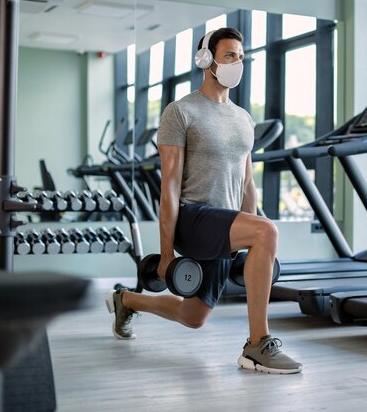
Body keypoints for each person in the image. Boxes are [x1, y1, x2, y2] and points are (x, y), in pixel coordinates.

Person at [105, 27, 302, 375]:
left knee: (192, 316)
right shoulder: (180, 112)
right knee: (266, 232)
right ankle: (258, 344)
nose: (236, 63)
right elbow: (168, 187)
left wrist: (245, 239)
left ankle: (126, 300)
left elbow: (247, 183)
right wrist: (167, 254)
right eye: (229, 56)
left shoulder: (243, 118)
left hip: (223, 225)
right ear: (205, 60)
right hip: (192, 219)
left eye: (240, 57)